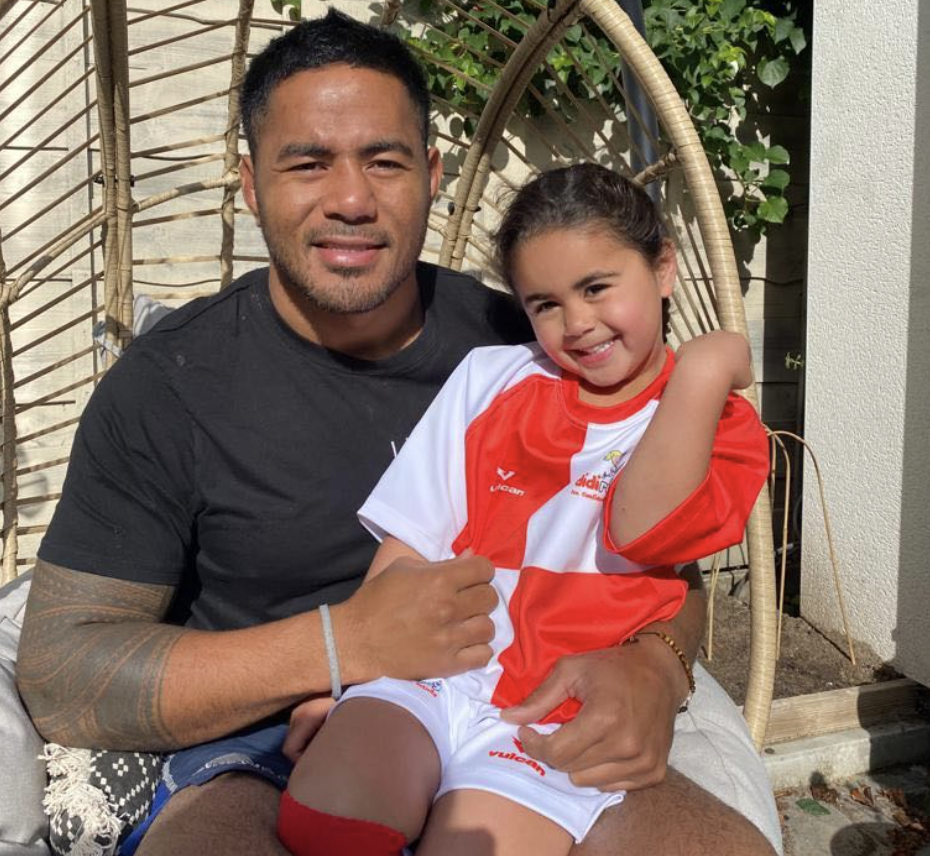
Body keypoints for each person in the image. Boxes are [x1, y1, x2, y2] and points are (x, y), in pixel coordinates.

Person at [16, 11, 781, 856]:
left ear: (432, 171)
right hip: (270, 734)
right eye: (307, 163)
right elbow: (61, 673)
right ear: (248, 181)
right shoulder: (169, 387)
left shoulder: (528, 341)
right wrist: (343, 647)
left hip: (532, 705)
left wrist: (658, 662)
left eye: (383, 161)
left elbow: (655, 546)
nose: (350, 199)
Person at [276, 164, 770, 856]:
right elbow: (411, 545)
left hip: (557, 706)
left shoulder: (719, 424)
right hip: (433, 668)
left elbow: (645, 530)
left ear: (663, 268)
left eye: (597, 288)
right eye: (544, 304)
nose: (577, 325)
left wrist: (703, 368)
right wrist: (352, 676)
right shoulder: (491, 379)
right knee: (324, 821)